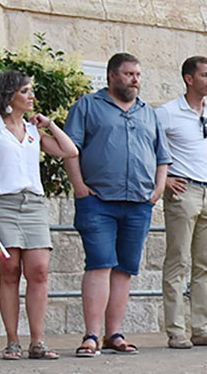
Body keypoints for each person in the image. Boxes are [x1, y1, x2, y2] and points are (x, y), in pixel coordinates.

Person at [63, 52, 170, 357]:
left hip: (138, 203)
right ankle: (91, 336)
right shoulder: (87, 106)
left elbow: (162, 156)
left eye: (138, 75)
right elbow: (70, 149)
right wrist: (79, 188)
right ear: (112, 76)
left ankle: (115, 334)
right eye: (128, 74)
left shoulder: (148, 113)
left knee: (124, 269)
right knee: (99, 264)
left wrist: (158, 189)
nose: (135, 80)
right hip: (97, 201)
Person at [0, 69, 78, 360]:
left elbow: (70, 151)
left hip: (33, 204)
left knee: (39, 270)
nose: (31, 96)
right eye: (25, 91)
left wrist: (50, 124)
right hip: (1, 203)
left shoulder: (33, 131)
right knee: (10, 271)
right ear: (9, 96)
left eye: (31, 90)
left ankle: (38, 341)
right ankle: (13, 341)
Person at [157, 56, 207, 349]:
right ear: (189, 79)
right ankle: (176, 330)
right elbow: (146, 146)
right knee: (177, 260)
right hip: (183, 190)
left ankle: (201, 328)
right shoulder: (167, 112)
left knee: (205, 263)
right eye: (205, 75)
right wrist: (164, 179)